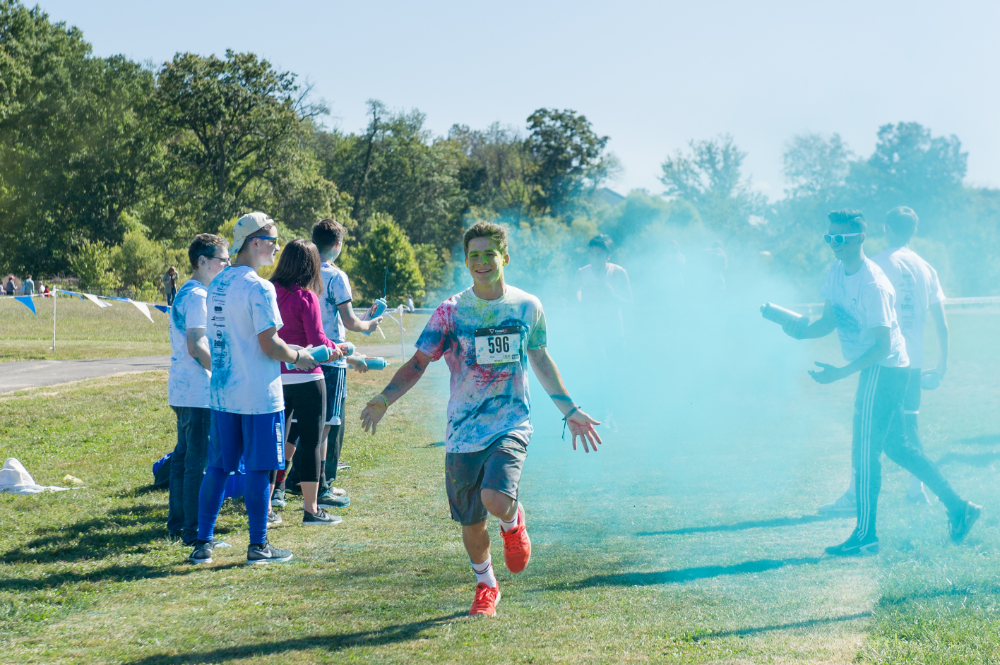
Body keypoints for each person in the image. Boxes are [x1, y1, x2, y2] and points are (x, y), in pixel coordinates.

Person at [360, 221, 603, 616]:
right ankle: (486, 585)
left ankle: (512, 521)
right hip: (462, 431)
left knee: (495, 498)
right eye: (473, 255)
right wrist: (384, 399)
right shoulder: (450, 312)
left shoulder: (527, 306)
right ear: (466, 261)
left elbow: (540, 358)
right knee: (471, 521)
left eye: (489, 253)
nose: (481, 262)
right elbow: (419, 361)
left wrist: (570, 410)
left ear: (504, 257)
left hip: (511, 422)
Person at [783, 209, 979, 556]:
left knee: (865, 450)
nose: (834, 245)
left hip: (886, 368)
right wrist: (801, 332)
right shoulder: (835, 271)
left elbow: (882, 347)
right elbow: (827, 321)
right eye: (829, 238)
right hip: (881, 367)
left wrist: (839, 374)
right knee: (898, 448)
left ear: (860, 238)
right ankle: (960, 508)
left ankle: (866, 534)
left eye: (840, 238)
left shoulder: (873, 284)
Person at [188, 212, 318, 566]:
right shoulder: (260, 287)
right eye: (272, 240)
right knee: (261, 468)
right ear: (255, 242)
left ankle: (203, 543)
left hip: (223, 392)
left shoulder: (216, 282)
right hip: (259, 394)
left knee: (218, 467)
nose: (277, 246)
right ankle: (259, 546)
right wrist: (299, 357)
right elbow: (270, 345)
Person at [818, 206, 951, 514]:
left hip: (881, 359)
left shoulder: (873, 266)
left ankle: (856, 494)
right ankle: (917, 492)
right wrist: (942, 366)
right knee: (908, 428)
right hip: (912, 360)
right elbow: (941, 324)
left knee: (868, 435)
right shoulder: (926, 267)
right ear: (914, 231)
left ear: (885, 228)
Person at [279, 218, 380, 510]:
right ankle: (322, 484)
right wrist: (369, 325)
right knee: (325, 426)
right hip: (329, 358)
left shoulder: (294, 274)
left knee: (293, 426)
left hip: (293, 357)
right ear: (337, 245)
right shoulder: (335, 276)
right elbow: (349, 322)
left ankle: (286, 483)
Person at [270, 238, 346, 526]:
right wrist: (337, 348)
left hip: (275, 377)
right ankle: (311, 509)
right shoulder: (306, 297)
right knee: (312, 442)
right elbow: (317, 341)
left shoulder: (269, 292)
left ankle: (268, 505)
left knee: (274, 442)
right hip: (307, 378)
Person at [167, 234, 230, 545]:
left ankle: (178, 523)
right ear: (202, 261)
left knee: (183, 459)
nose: (227, 264)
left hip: (184, 390)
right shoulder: (197, 296)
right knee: (198, 463)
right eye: (222, 259)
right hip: (197, 392)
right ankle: (193, 530)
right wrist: (221, 373)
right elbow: (196, 344)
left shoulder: (192, 292)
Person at [575, 234, 632, 338]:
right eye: (591, 254)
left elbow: (631, 304)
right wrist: (585, 298)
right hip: (590, 330)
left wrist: (612, 296)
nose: (594, 259)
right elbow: (575, 302)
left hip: (614, 330)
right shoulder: (581, 274)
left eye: (599, 255)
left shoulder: (619, 273)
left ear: (608, 255)